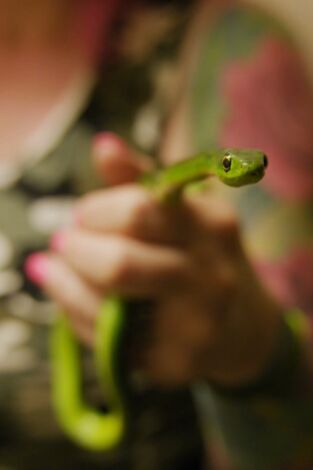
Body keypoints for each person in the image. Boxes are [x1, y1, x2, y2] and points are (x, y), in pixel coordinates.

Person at [1, 0, 313, 468]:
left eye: (251, 167)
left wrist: (254, 350)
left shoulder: (219, 49)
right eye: (231, 166)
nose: (244, 170)